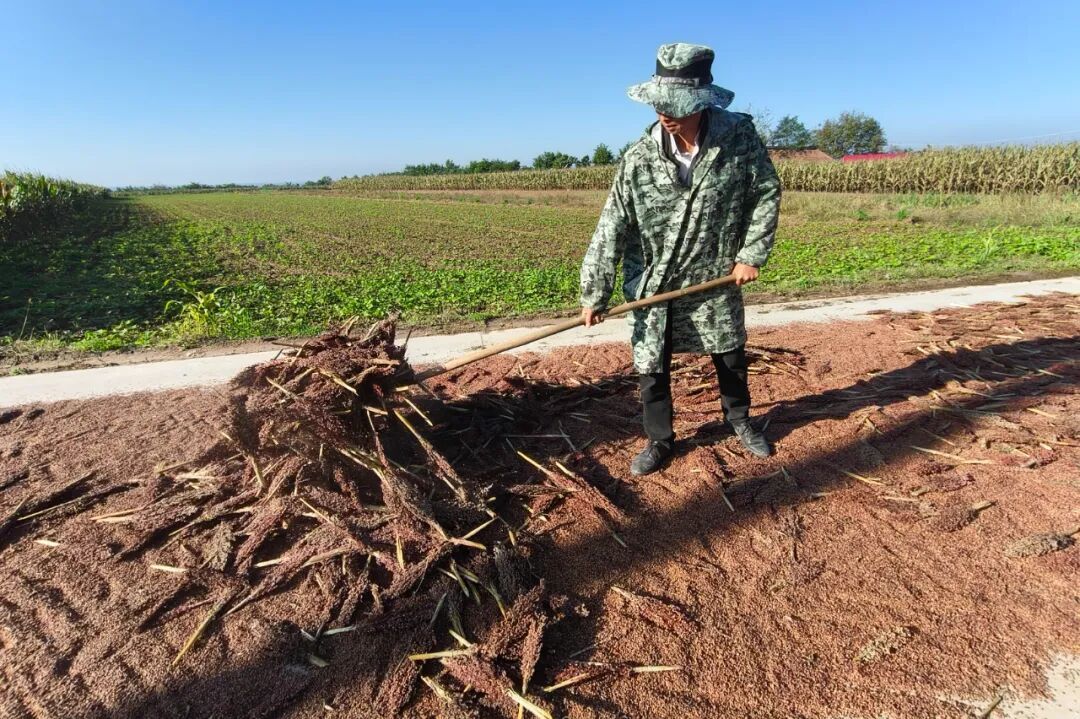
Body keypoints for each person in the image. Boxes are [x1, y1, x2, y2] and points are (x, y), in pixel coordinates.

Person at [579, 42, 781, 476]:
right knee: (651, 363)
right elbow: (611, 225)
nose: (664, 113)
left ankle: (739, 421)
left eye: (675, 105)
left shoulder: (737, 139)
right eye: (658, 104)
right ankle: (660, 439)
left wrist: (750, 254)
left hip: (714, 273)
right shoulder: (638, 159)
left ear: (702, 102)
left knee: (729, 352)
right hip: (654, 280)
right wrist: (595, 292)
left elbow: (765, 192)